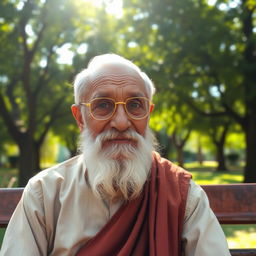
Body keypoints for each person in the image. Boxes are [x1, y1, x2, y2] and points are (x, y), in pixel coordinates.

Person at [0, 54, 231, 256]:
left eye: (135, 105)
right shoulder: (45, 193)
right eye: (102, 105)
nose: (121, 122)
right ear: (80, 117)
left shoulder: (182, 194)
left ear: (148, 114)